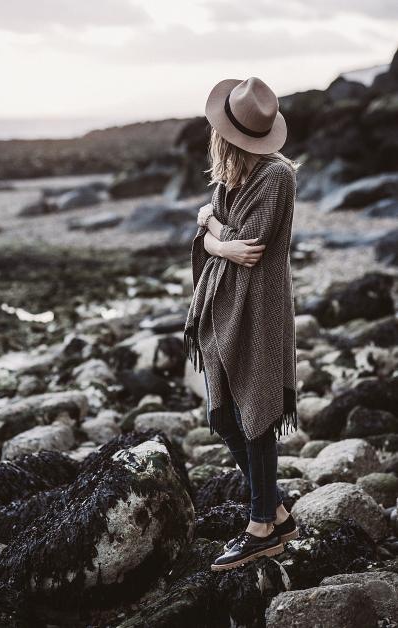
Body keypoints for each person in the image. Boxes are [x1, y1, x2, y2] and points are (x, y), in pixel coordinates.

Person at [183, 76, 300, 572]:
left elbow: (247, 248)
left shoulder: (275, 176)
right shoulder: (232, 175)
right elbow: (219, 245)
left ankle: (261, 530)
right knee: (224, 415)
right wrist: (216, 238)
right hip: (222, 306)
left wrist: (210, 226)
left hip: (258, 309)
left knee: (255, 415)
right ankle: (273, 509)